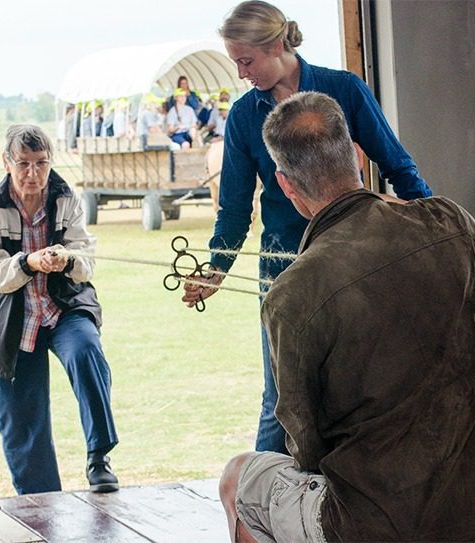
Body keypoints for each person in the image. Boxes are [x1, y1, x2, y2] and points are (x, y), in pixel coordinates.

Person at [218, 90, 475, 543]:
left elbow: (305, 446)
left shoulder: (290, 293)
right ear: (356, 154)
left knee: (239, 478)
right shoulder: (446, 221)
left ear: (285, 185)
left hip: (371, 526)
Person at [182, 0, 432, 455]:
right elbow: (235, 210)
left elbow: (399, 168)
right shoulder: (242, 117)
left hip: (357, 260)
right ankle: (257, 516)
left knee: (361, 389)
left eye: (246, 60)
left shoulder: (345, 90)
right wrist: (214, 269)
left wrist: (435, 230)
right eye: (235, 61)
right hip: (285, 268)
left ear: (277, 44)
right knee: (280, 398)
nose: (240, 73)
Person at [0, 124, 120, 495]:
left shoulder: (66, 196)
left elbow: (87, 261)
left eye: (41, 163)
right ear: (6, 162)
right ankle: (40, 500)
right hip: (11, 315)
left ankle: (99, 456)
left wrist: (67, 258)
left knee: (86, 350)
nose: (33, 174)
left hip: (62, 306)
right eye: (23, 164)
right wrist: (28, 263)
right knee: (20, 417)